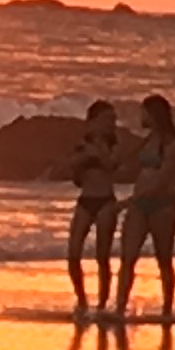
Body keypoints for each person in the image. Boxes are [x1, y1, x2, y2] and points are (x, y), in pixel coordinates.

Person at [113, 91, 175, 324]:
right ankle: (119, 307)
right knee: (127, 258)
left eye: (144, 111)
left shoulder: (171, 144)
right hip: (139, 204)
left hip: (162, 205)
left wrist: (127, 201)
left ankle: (167, 309)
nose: (140, 116)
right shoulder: (147, 141)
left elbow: (163, 178)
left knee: (164, 259)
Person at [64, 98, 125, 313]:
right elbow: (74, 174)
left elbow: (111, 165)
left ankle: (102, 303)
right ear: (94, 120)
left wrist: (98, 150)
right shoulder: (83, 142)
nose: (112, 123)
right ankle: (81, 298)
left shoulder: (114, 143)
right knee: (73, 253)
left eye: (113, 119)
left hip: (105, 200)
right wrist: (82, 160)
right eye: (107, 119)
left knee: (102, 256)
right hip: (85, 199)